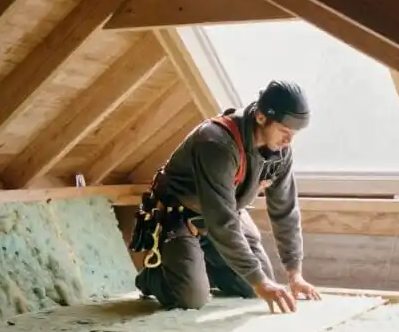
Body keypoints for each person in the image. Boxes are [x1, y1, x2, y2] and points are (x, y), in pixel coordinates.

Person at [130, 80, 322, 314]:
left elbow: (285, 211)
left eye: (294, 134)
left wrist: (295, 274)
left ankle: (196, 267)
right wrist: (260, 281)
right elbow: (221, 220)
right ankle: (154, 277)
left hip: (226, 214)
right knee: (192, 298)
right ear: (261, 117)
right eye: (284, 131)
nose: (288, 142)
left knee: (254, 287)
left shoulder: (281, 152)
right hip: (179, 215)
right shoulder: (216, 142)